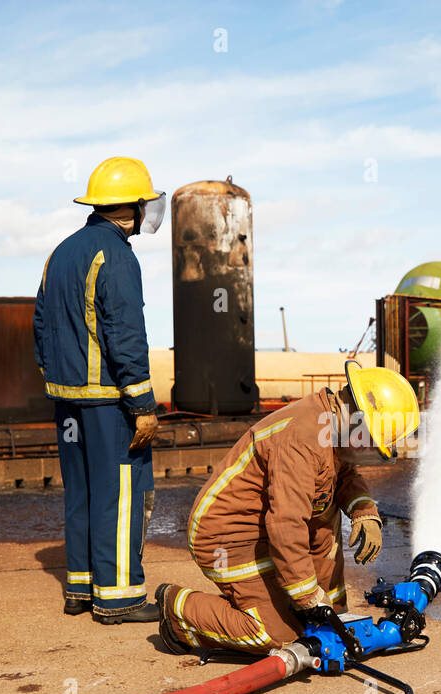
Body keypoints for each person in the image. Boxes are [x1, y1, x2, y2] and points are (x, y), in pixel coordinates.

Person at [151, 360, 419, 655]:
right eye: (369, 440)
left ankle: (323, 620)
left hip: (269, 527)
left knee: (323, 560)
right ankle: (179, 612)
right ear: (356, 417)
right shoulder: (301, 440)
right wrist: (306, 597)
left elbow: (342, 474)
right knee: (278, 635)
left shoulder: (333, 426)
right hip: (228, 537)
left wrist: (364, 511)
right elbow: (286, 524)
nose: (367, 449)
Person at [34, 156, 167, 623]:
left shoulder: (61, 252)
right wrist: (143, 404)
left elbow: (40, 325)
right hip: (110, 404)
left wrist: (57, 381)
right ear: (130, 205)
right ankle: (119, 598)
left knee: (83, 493)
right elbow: (125, 333)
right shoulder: (116, 255)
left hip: (67, 402)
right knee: (122, 495)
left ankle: (80, 588)